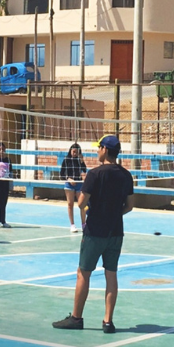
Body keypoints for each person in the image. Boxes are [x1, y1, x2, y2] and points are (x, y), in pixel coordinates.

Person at [53, 135, 134, 334]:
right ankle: (108, 321)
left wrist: (93, 209)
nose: (97, 151)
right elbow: (129, 206)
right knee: (111, 274)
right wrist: (113, 213)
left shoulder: (94, 174)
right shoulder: (126, 175)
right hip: (116, 231)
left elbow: (80, 203)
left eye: (98, 148)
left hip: (95, 231)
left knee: (83, 273)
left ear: (105, 150)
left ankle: (76, 318)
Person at [59, 142, 88, 233]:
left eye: (76, 152)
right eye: (73, 151)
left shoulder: (79, 160)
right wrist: (69, 179)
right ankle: (72, 224)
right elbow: (62, 174)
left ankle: (84, 224)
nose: (74, 153)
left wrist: (82, 161)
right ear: (70, 150)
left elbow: (84, 170)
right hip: (69, 184)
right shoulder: (66, 160)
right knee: (70, 204)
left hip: (79, 183)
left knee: (82, 204)